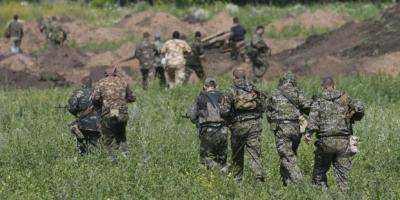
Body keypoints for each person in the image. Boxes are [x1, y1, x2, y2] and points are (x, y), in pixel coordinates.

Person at [304, 77, 365, 192]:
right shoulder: (344, 98)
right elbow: (360, 108)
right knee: (343, 176)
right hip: (344, 143)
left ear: (322, 87)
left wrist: (308, 134)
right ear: (334, 85)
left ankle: (322, 195)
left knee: (319, 174)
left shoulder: (319, 100)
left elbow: (313, 120)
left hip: (325, 143)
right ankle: (344, 196)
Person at [220, 68, 267, 182]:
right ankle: (259, 180)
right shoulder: (254, 89)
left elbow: (224, 111)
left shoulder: (230, 90)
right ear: (245, 77)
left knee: (237, 155)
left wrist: (230, 120)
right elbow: (263, 105)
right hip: (254, 125)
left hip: (238, 127)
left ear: (234, 77)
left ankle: (237, 180)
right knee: (255, 154)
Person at [266, 72, 311, 186]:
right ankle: (286, 183)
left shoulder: (274, 93)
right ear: (293, 81)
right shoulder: (297, 92)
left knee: (286, 156)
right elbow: (307, 106)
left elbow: (268, 111)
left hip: (281, 129)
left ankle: (300, 183)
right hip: (296, 129)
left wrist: (273, 122)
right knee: (289, 154)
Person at [92, 67, 136, 162]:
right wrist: (122, 100)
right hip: (122, 113)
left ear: (106, 74)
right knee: (121, 136)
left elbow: (95, 99)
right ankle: (126, 157)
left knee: (107, 138)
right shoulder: (123, 82)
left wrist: (100, 105)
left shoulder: (101, 83)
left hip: (108, 113)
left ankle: (112, 159)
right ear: (115, 73)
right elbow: (132, 98)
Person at [187, 78, 228, 169]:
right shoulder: (223, 96)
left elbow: (192, 116)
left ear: (204, 86)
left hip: (207, 131)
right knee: (222, 159)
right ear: (216, 86)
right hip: (223, 131)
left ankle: (210, 176)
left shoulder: (200, 97)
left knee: (206, 159)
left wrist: (198, 122)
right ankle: (223, 177)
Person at [68, 77, 100, 156]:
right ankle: (95, 159)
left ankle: (82, 156)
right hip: (97, 124)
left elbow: (71, 108)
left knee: (81, 146)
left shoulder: (77, 93)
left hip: (83, 125)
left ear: (82, 83)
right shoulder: (97, 93)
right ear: (91, 83)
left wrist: (78, 115)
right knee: (95, 146)